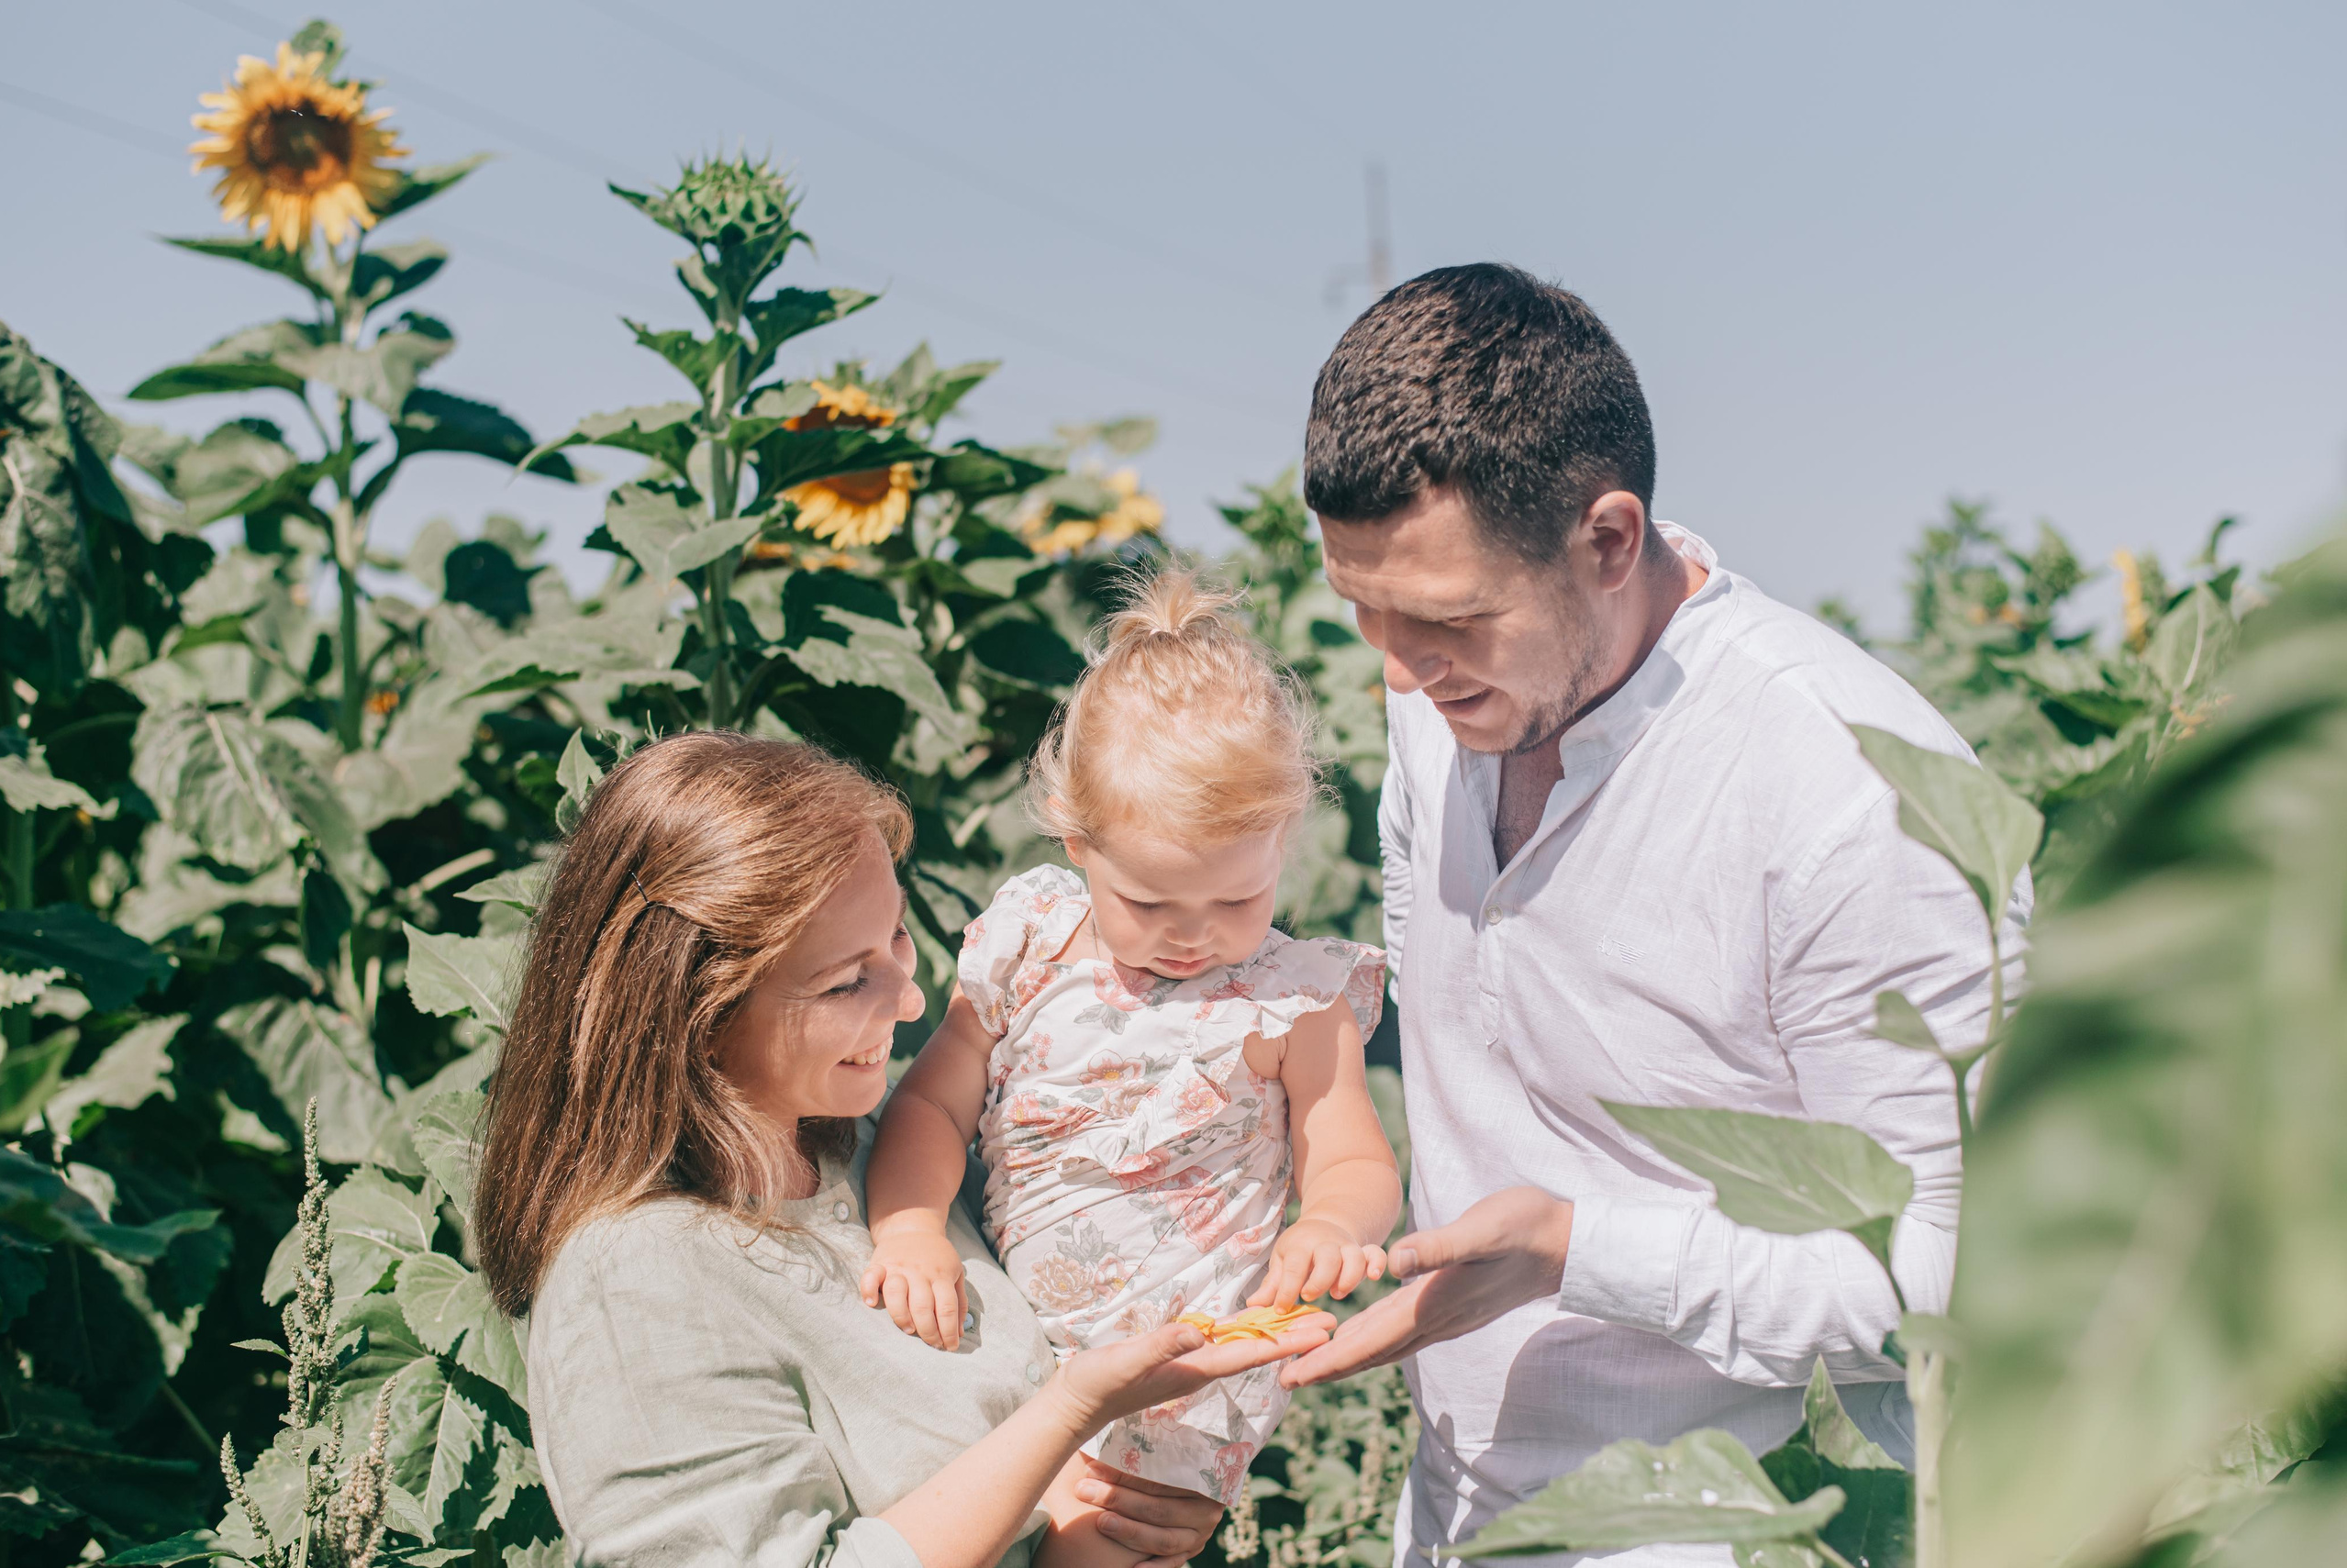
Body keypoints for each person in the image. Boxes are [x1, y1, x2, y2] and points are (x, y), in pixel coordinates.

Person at [1279, 264, 2030, 1568]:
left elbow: (1968, 1276)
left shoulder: (1854, 796)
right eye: (1366, 613)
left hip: (1730, 1533)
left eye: (1447, 620)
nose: (1395, 672)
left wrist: (1583, 1252)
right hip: (1456, 1508)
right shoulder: (1437, 701)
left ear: (1610, 539)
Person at [471, 731, 1332, 1568]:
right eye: (848, 980)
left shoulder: (879, 1155)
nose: (913, 999)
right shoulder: (634, 1283)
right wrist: (1066, 1420)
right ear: (699, 1010)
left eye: (896, 939)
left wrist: (1132, 1497)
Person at [863, 570, 1401, 1562]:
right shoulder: (1029, 942)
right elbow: (933, 1104)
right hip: (998, 1325)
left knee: (1092, 1545)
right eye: (1151, 906)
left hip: (1179, 1377)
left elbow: (1355, 1157)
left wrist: (1330, 1224)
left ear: (1286, 837)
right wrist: (907, 1228)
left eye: (1237, 902)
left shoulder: (1296, 997)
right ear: (1077, 839)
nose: (1193, 939)